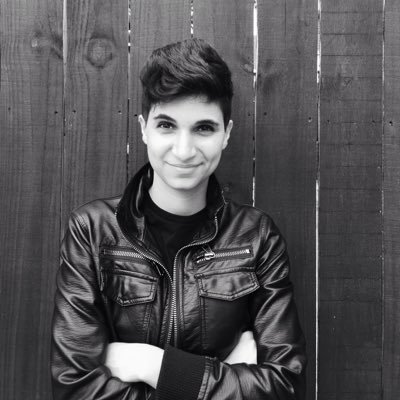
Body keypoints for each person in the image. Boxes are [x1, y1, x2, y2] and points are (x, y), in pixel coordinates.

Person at [51, 38, 306, 400]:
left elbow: (285, 386)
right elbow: (74, 388)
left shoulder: (256, 238)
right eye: (167, 126)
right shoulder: (92, 231)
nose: (184, 151)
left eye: (203, 128)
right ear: (144, 128)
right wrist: (225, 376)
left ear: (226, 134)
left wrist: (149, 364)